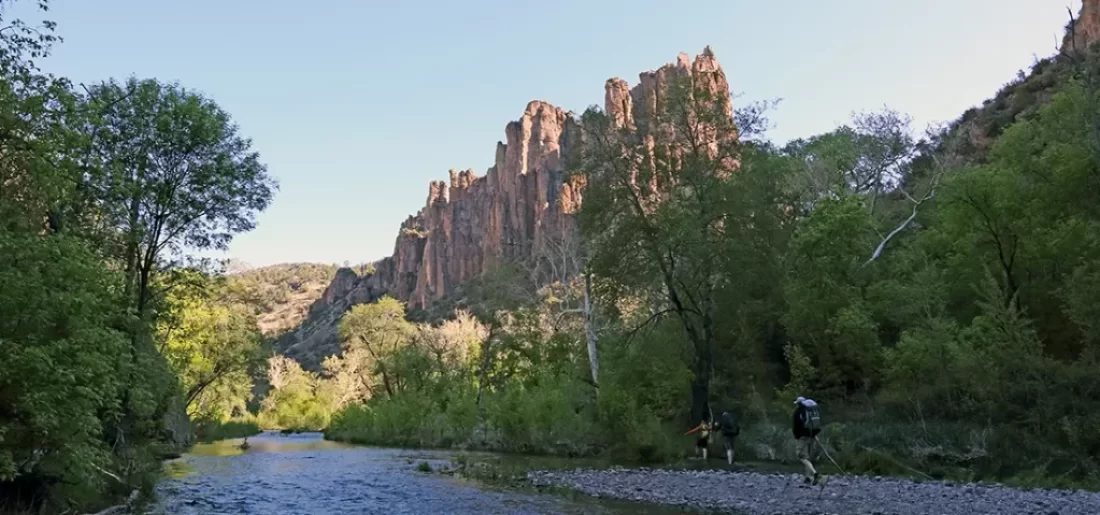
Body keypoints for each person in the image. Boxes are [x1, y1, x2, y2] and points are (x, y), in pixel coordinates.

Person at [792, 396, 821, 485]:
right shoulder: (812, 410)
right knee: (808, 456)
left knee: (801, 456)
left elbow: (796, 427)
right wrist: (814, 434)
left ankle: (814, 474)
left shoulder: (798, 412)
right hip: (813, 434)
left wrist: (797, 437)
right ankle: (808, 477)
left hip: (803, 436)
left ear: (799, 404)